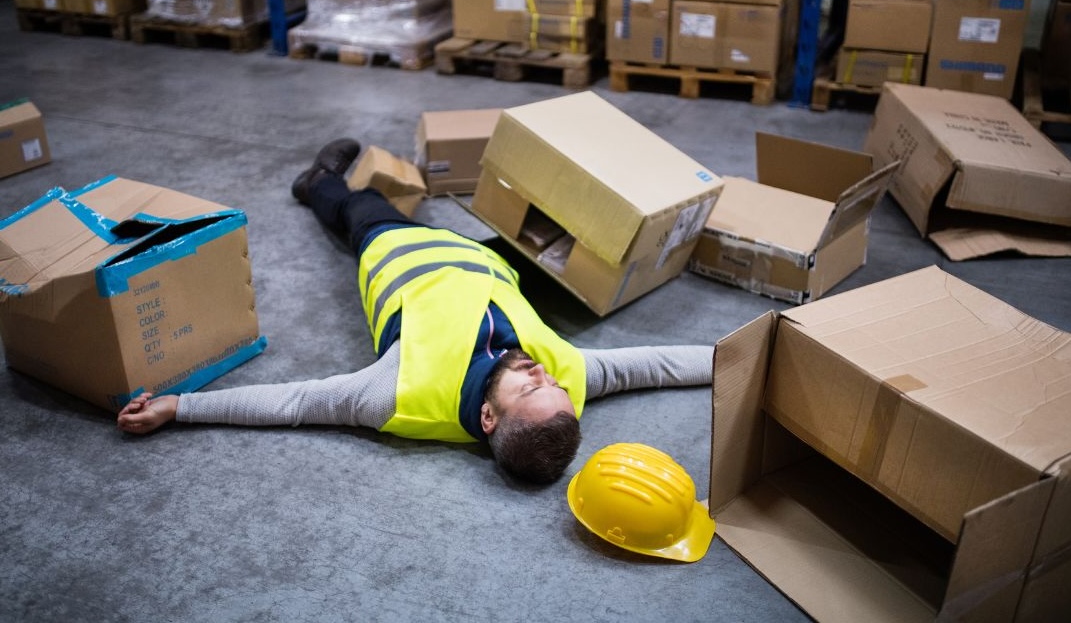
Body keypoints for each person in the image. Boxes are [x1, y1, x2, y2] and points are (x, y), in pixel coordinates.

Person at [118, 139, 714, 484]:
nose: (543, 372)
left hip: (399, 253)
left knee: (362, 207)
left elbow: (296, 401)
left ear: (486, 418)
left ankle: (319, 181)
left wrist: (179, 406)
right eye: (554, 384)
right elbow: (659, 365)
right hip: (481, 262)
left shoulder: (395, 394)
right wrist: (751, 356)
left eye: (533, 389)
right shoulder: (565, 382)